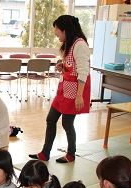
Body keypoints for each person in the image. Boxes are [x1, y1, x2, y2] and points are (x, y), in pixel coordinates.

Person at [29, 15, 91, 163]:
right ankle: (45, 153)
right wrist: (61, 66)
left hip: (75, 91)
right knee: (51, 119)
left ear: (65, 30)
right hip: (64, 89)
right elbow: (72, 66)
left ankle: (71, 154)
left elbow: (83, 71)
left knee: (67, 124)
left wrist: (79, 96)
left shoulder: (80, 44)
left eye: (57, 29)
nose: (55, 32)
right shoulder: (69, 44)